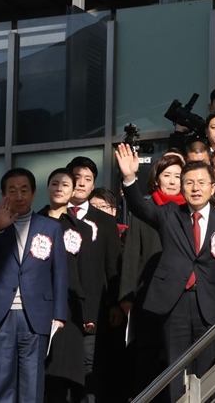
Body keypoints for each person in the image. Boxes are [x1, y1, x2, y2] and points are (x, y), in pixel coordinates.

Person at [114, 144, 215, 402]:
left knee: (211, 370)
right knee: (176, 372)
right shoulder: (169, 214)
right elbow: (140, 209)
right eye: (189, 183)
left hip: (210, 303)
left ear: (212, 188)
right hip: (173, 303)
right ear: (183, 189)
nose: (195, 188)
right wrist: (130, 179)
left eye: (201, 183)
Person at [0, 168, 68, 403]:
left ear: (33, 194)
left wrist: (60, 314)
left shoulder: (50, 227)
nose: (19, 196)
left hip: (36, 315)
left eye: (24, 190)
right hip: (1, 316)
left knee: (32, 384)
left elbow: (60, 274)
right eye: (12, 191)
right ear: (4, 195)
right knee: (3, 383)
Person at [117, 153, 185, 400]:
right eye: (167, 175)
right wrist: (127, 297)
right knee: (147, 360)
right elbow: (132, 254)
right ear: (156, 180)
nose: (172, 181)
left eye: (178, 176)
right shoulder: (145, 211)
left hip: (182, 299)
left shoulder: (190, 212)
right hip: (148, 298)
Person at [65, 156, 122, 403]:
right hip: (59, 314)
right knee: (61, 376)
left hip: (95, 311)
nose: (81, 183)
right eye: (77, 178)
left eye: (88, 179)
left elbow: (113, 266)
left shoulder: (106, 222)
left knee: (90, 376)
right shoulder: (50, 217)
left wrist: (115, 304)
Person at [39, 168, 95, 403]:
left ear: (73, 191)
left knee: (69, 376)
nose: (59, 189)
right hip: (40, 304)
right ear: (47, 188)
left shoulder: (82, 228)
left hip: (71, 308)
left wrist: (89, 312)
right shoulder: (35, 222)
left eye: (65, 185)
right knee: (44, 373)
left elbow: (87, 272)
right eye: (54, 184)